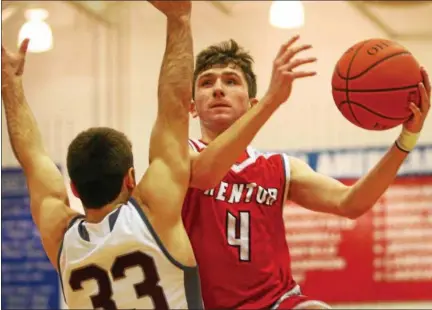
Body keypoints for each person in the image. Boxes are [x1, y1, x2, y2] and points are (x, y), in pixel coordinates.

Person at [182, 37, 431, 309]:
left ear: (252, 104)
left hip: (275, 302)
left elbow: (350, 202)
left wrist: (407, 139)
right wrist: (273, 99)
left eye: (231, 81)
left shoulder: (278, 167)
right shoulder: (178, 155)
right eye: (207, 82)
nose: (218, 89)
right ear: (192, 106)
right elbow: (203, 172)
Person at [2, 1, 200, 309]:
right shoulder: (153, 215)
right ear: (131, 179)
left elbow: (32, 158)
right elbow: (174, 109)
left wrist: (10, 86)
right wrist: (179, 18)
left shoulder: (62, 239)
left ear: (75, 189)